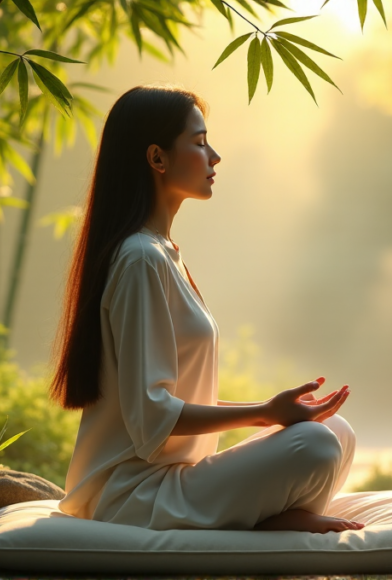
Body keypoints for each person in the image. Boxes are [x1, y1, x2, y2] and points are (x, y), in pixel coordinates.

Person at [50, 83, 362, 534]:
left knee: (337, 432)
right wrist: (265, 413)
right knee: (314, 445)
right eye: (199, 143)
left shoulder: (161, 252)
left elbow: (173, 401)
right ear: (157, 158)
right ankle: (272, 521)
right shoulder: (140, 258)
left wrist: (273, 409)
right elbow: (153, 415)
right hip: (132, 496)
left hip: (177, 480)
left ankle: (275, 519)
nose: (214, 157)